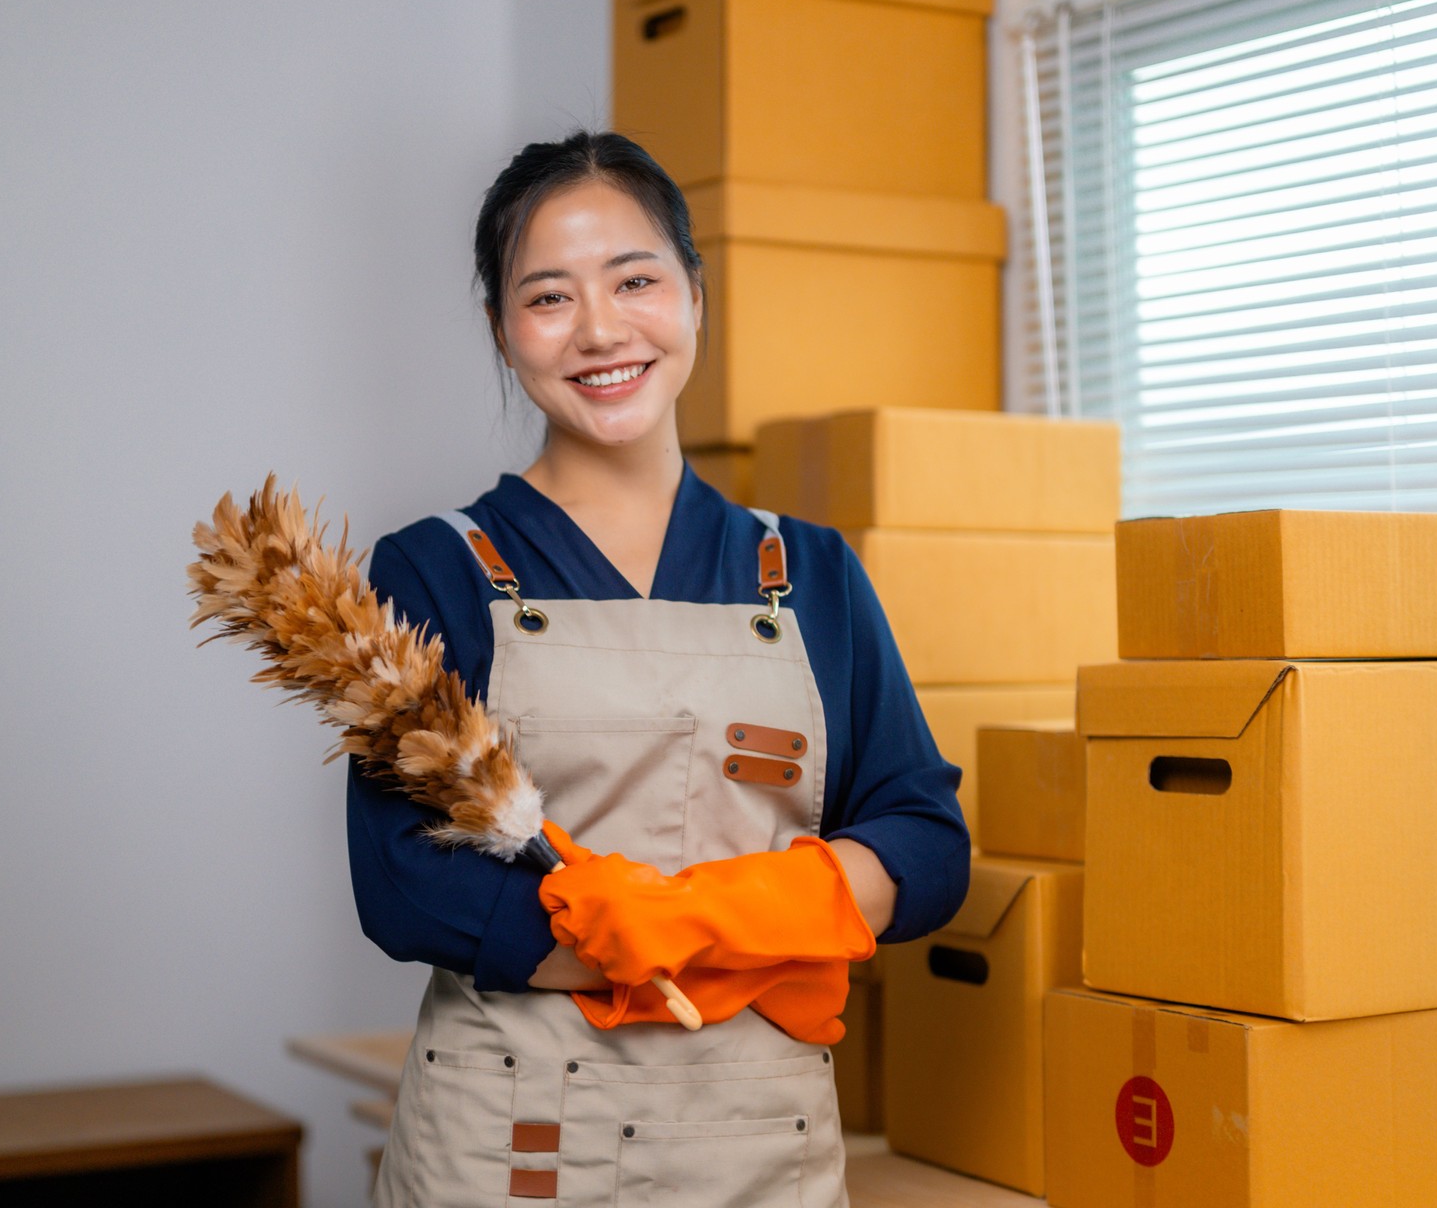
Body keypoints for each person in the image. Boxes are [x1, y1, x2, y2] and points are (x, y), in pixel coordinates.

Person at [347, 130, 970, 1206]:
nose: (599, 328)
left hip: (755, 1145)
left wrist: (714, 915)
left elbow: (925, 841)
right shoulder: (435, 567)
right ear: (503, 331)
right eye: (548, 297)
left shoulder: (808, 571)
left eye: (634, 279)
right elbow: (401, 876)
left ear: (694, 295)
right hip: (510, 1145)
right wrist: (613, 948)